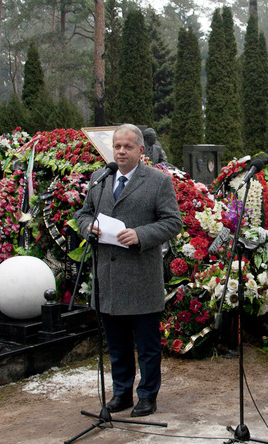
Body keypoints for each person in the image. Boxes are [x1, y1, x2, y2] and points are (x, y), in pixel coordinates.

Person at [75, 124, 182, 417]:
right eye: (117, 146)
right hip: (108, 278)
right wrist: (89, 227)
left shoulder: (157, 182)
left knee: (147, 347)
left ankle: (148, 395)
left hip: (140, 277)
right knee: (117, 345)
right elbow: (83, 213)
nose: (121, 151)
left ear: (141, 150)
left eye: (127, 147)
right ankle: (121, 393)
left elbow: (173, 222)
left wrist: (140, 234)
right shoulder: (100, 178)